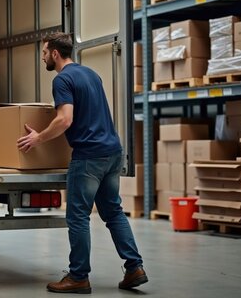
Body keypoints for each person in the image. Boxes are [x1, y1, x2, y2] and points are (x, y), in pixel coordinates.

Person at [17, 32, 147, 294]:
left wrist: (38, 138)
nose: (43, 58)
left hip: (89, 156)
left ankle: (78, 277)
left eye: (44, 53)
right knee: (113, 212)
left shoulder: (62, 79)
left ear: (55, 53)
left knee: (77, 216)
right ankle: (134, 267)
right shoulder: (91, 74)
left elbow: (65, 119)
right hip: (112, 151)